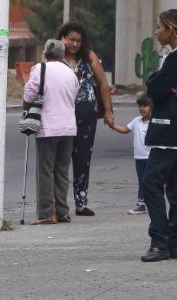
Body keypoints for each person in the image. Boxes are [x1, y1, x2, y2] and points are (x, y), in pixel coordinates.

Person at [141, 9, 177, 262]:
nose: (156, 32)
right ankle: (176, 243)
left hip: (169, 129)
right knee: (176, 187)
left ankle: (160, 241)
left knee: (151, 184)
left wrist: (154, 80)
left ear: (170, 28)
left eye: (159, 27)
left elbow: (154, 87)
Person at [58, 23, 114, 216]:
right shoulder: (55, 57)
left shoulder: (89, 56)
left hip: (87, 117)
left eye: (78, 41)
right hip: (62, 117)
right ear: (63, 38)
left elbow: (102, 83)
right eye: (71, 39)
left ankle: (81, 202)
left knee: (82, 159)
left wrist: (108, 111)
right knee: (61, 161)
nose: (74, 44)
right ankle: (59, 205)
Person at [23, 39, 79, 225]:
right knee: (62, 171)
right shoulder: (71, 72)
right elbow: (75, 95)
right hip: (68, 127)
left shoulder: (41, 69)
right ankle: (63, 211)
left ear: (45, 52)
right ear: (62, 54)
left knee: (46, 170)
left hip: (48, 127)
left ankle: (47, 213)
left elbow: (28, 95)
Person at [108, 94, 152, 215]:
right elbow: (125, 130)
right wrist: (112, 125)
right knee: (142, 181)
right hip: (139, 157)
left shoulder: (154, 121)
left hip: (151, 156)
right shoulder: (137, 120)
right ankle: (142, 204)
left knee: (148, 181)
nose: (142, 109)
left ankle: (145, 203)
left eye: (145, 106)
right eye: (140, 106)